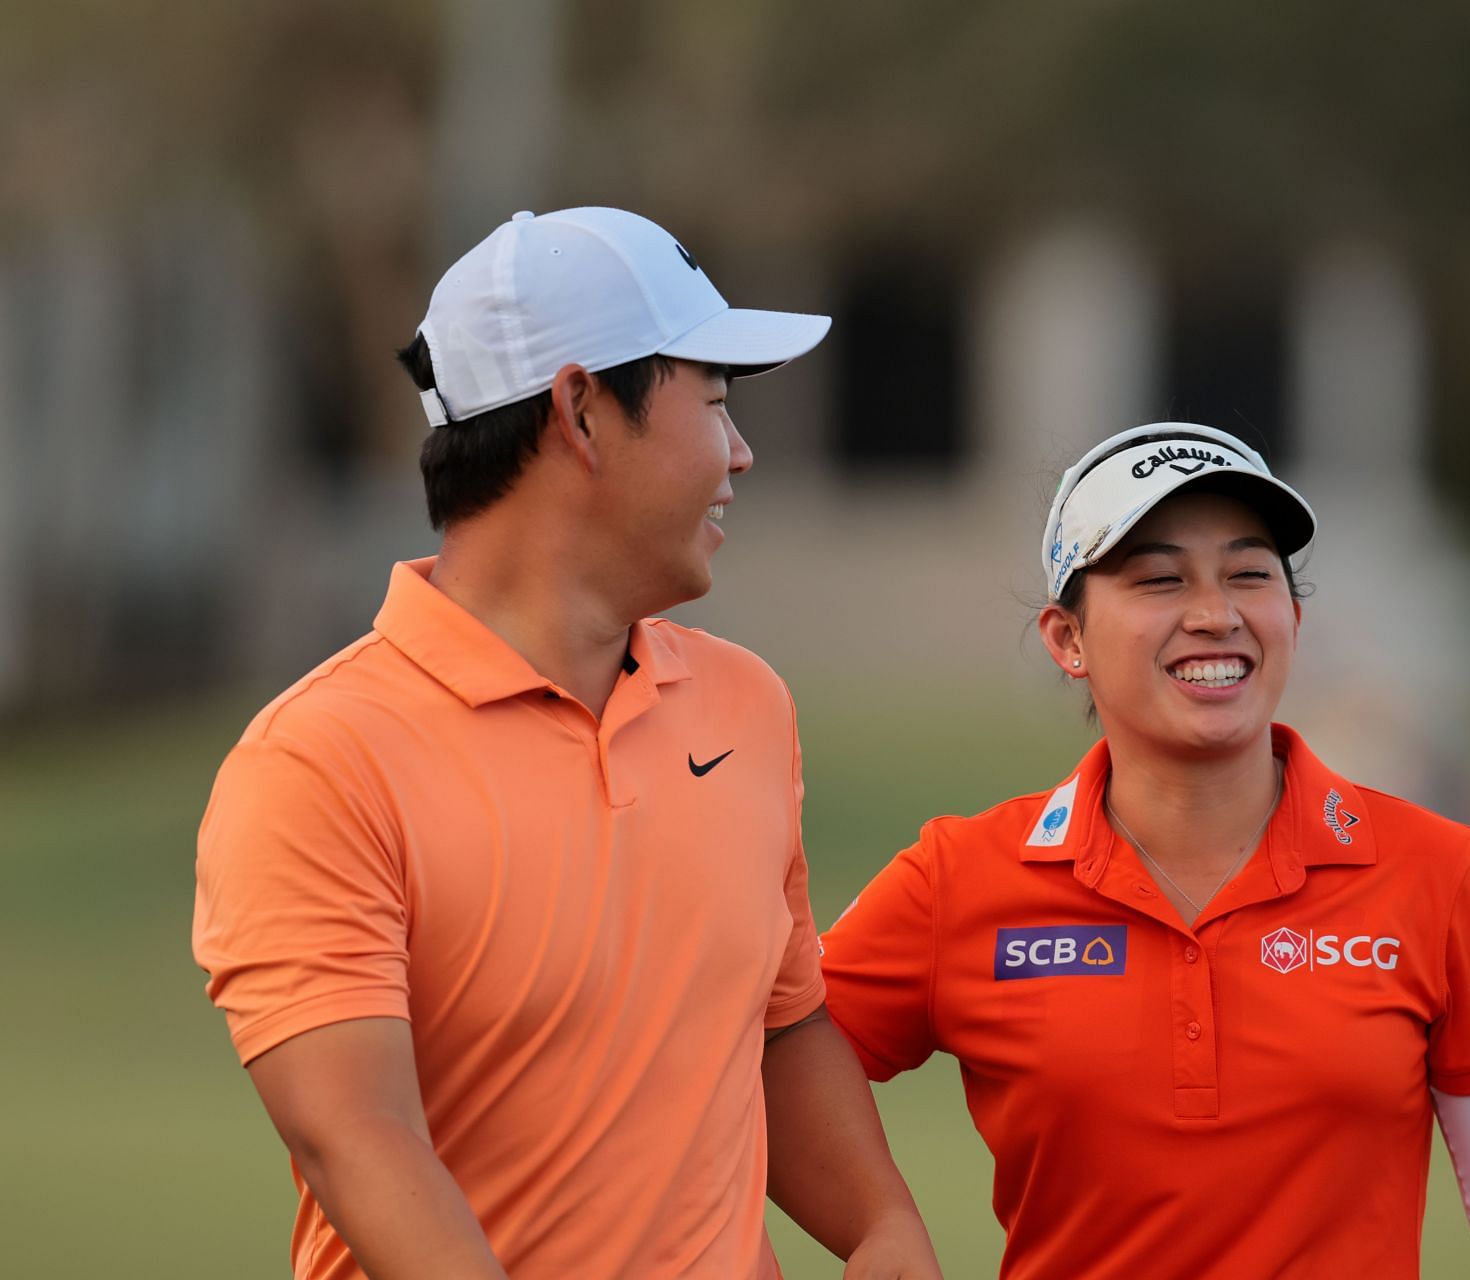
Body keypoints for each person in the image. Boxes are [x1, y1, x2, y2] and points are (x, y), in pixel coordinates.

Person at [192, 207, 941, 1280]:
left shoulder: (747, 704)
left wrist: (882, 1225)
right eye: (716, 402)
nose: (743, 451)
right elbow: (357, 1136)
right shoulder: (318, 761)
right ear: (582, 411)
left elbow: (778, 1023)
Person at [820, 423, 1470, 1278]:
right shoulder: (958, 880)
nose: (1215, 615)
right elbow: (761, 1062)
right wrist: (876, 1225)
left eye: (1249, 574)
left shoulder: (1436, 871)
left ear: (1293, 619)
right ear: (1066, 639)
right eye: (1159, 579)